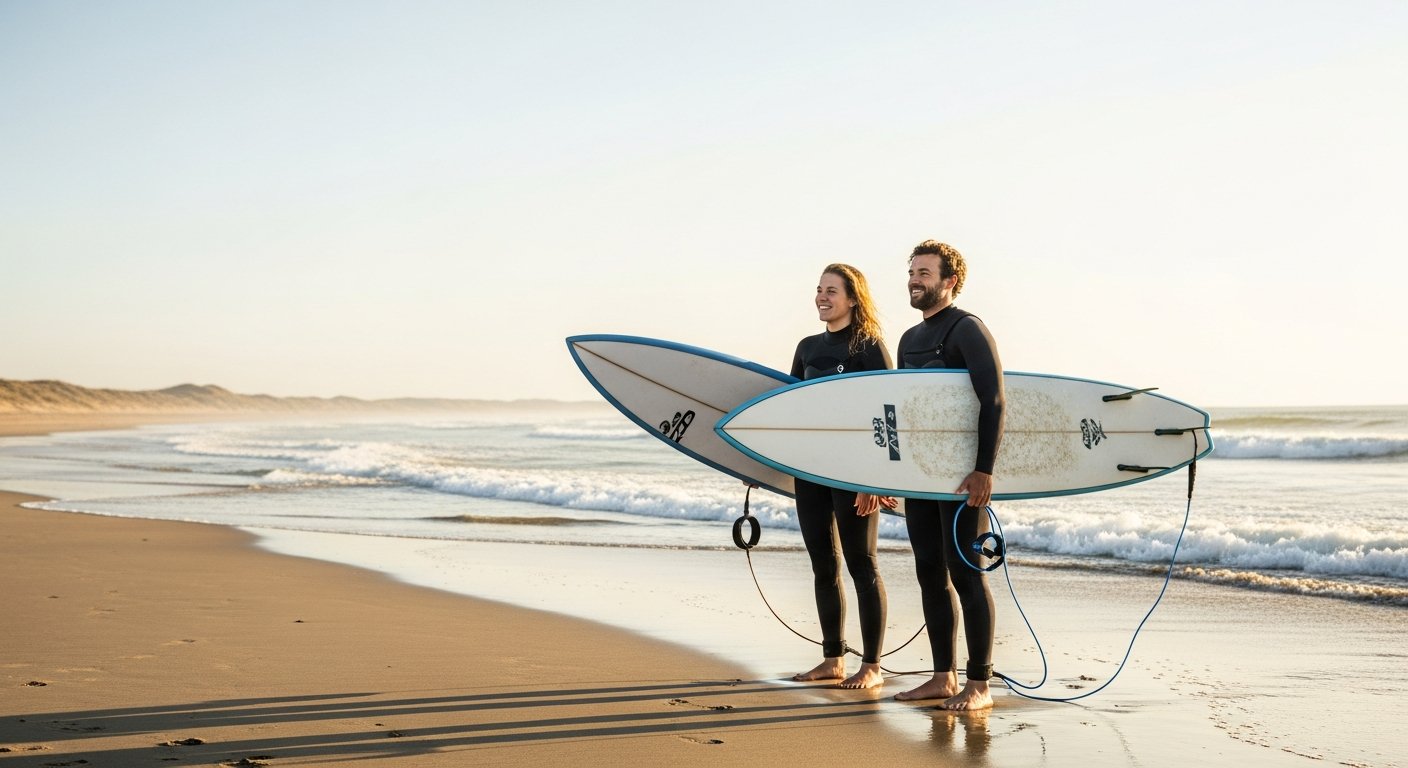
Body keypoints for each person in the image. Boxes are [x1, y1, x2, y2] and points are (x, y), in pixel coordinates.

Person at [893, 240, 1006, 711]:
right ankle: (943, 675)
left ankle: (979, 684)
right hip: (922, 479)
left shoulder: (968, 329)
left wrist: (983, 470)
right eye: (912, 272)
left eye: (925, 272)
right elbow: (901, 413)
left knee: (967, 574)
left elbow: (994, 400)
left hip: (962, 479)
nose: (915, 280)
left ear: (949, 281)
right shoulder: (907, 339)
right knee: (929, 575)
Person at [788, 263, 894, 690]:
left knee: (861, 563)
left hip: (853, 473)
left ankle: (871, 665)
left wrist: (876, 479)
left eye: (831, 290)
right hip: (811, 469)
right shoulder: (807, 347)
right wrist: (755, 464)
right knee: (822, 564)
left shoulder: (869, 347)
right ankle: (833, 658)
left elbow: (891, 415)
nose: (821, 296)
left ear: (853, 298)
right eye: (818, 289)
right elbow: (786, 413)